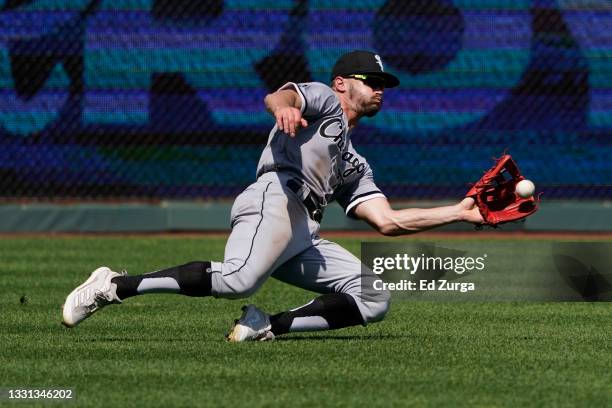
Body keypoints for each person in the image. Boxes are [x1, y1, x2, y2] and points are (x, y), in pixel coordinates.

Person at [62, 50, 483, 341]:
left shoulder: (353, 161)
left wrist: (460, 213)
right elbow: (281, 95)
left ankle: (267, 326)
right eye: (370, 81)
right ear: (342, 83)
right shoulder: (324, 100)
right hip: (277, 196)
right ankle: (113, 285)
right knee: (237, 279)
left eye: (383, 84)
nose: (379, 88)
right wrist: (283, 107)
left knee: (374, 296)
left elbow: (388, 222)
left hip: (304, 229)